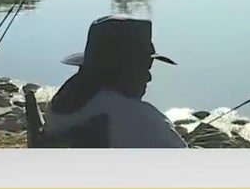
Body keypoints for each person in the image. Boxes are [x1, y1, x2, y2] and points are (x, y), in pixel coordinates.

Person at [44, 15, 188, 148]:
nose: (148, 77)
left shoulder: (60, 106)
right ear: (120, 70)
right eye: (143, 68)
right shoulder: (139, 118)